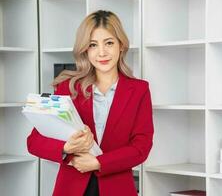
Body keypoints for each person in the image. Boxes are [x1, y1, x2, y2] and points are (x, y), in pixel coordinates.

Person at [27, 10, 154, 196]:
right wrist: (66, 148)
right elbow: (34, 141)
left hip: (117, 188)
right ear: (85, 50)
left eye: (109, 43)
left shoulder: (139, 90)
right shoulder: (67, 88)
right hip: (71, 188)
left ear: (121, 45)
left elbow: (141, 147)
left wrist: (98, 162)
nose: (102, 52)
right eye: (93, 45)